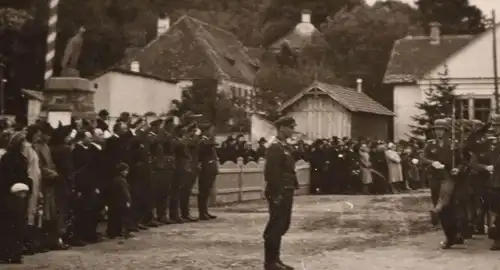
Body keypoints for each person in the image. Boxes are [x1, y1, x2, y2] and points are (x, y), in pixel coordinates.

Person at [421, 118, 463, 249]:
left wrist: (458, 168)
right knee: (440, 208)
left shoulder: (453, 144)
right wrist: (431, 162)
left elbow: (462, 161)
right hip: (435, 178)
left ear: (446, 131)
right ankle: (450, 236)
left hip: (449, 178)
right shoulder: (430, 144)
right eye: (436, 129)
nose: (438, 132)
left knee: (450, 208)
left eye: (441, 130)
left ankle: (454, 235)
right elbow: (422, 157)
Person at [263, 116, 297, 270]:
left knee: (283, 225)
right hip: (279, 191)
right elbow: (271, 173)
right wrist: (277, 193)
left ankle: (276, 259)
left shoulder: (284, 146)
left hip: (287, 189)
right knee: (276, 226)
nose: (292, 130)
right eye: (290, 127)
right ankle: (270, 262)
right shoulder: (275, 147)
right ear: (282, 128)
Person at [0, 131, 32, 264]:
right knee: (9, 225)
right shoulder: (8, 158)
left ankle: (14, 253)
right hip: (10, 195)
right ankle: (8, 253)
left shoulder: (20, 158)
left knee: (17, 224)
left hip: (19, 194)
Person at [197, 122, 218, 220]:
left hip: (210, 168)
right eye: (210, 130)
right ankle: (202, 212)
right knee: (203, 191)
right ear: (206, 130)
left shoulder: (208, 141)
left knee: (207, 191)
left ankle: (205, 211)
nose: (212, 132)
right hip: (205, 168)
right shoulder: (203, 141)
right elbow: (201, 155)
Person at [108, 163, 133, 239]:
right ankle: (124, 233)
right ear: (122, 171)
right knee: (124, 218)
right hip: (122, 202)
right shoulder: (122, 181)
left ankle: (112, 233)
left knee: (114, 217)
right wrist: (129, 201)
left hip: (114, 202)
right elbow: (125, 192)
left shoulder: (114, 179)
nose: (127, 172)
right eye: (126, 171)